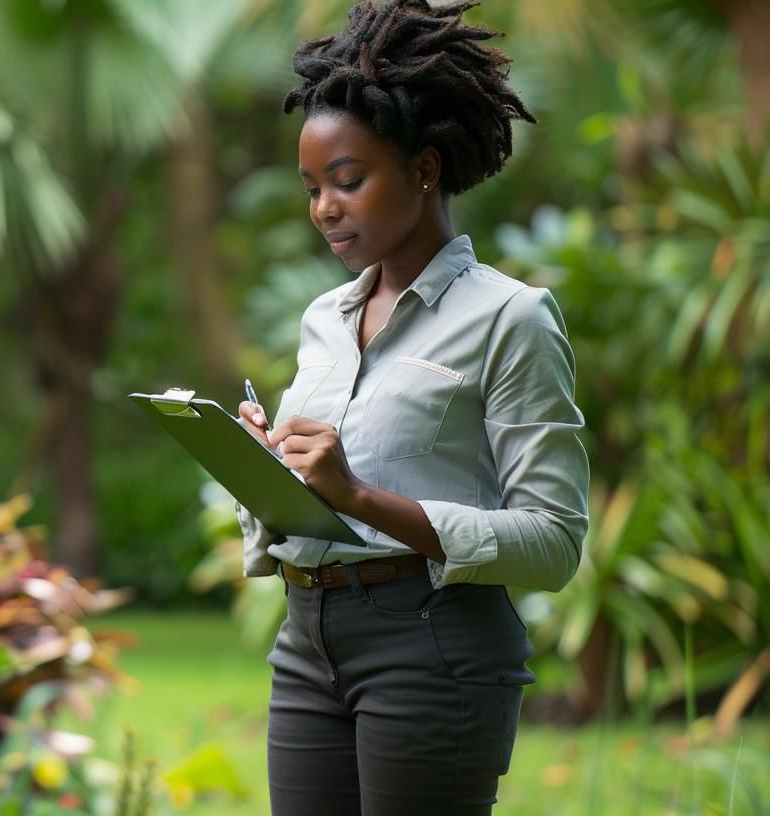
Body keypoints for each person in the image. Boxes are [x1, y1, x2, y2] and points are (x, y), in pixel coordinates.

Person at [233, 1, 591, 814]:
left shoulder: (510, 318)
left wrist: (360, 497)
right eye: (313, 188)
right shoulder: (323, 321)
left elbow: (554, 542)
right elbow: (308, 503)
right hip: (307, 644)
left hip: (433, 646)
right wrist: (263, 471)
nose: (326, 207)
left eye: (349, 181)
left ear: (424, 168)